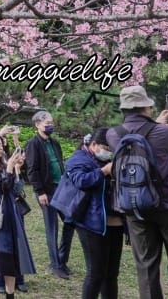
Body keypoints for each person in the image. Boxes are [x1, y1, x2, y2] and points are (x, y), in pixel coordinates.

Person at [106, 85, 168, 299]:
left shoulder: (113, 134)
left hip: (134, 206)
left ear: (124, 109)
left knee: (146, 264)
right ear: (146, 107)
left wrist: (156, 123)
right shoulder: (163, 132)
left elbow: (140, 138)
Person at [65, 128, 125, 299]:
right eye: (107, 148)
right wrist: (103, 172)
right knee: (96, 273)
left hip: (115, 223)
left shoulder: (110, 160)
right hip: (91, 222)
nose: (109, 152)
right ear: (93, 144)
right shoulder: (78, 159)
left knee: (111, 274)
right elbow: (80, 181)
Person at [0, 132, 36, 299]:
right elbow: (2, 188)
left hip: (10, 213)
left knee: (10, 255)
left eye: (1, 145)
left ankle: (10, 294)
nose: (1, 148)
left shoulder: (1, 164)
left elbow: (13, 187)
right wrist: (10, 167)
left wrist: (15, 167)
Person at [24, 109, 74, 280]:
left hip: (61, 190)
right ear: (37, 125)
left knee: (70, 221)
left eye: (51, 123)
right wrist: (40, 192)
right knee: (51, 228)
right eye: (47, 123)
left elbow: (60, 164)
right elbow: (32, 170)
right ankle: (55, 265)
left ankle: (61, 259)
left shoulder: (55, 143)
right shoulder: (33, 144)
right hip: (47, 192)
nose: (50, 125)